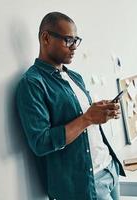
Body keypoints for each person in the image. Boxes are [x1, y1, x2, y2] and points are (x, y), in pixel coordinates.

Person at [16, 12, 126, 200]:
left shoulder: (74, 76)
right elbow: (41, 143)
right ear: (46, 38)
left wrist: (101, 112)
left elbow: (82, 120)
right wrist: (88, 117)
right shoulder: (32, 83)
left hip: (109, 167)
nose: (74, 47)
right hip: (84, 185)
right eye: (68, 40)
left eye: (76, 40)